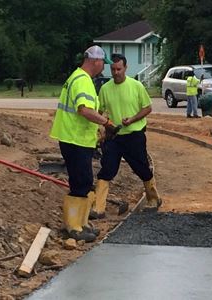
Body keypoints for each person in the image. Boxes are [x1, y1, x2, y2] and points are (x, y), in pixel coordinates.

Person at [49, 45, 116, 242]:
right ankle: (74, 227)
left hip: (78, 139)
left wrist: (97, 131)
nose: (104, 66)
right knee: (80, 183)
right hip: (74, 139)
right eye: (103, 62)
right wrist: (106, 123)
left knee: (85, 182)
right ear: (95, 61)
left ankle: (83, 223)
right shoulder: (82, 81)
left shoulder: (80, 78)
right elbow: (84, 110)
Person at [93, 54, 162, 219]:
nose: (116, 72)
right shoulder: (105, 89)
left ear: (125, 68)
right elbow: (100, 111)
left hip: (134, 135)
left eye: (119, 69)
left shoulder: (136, 86)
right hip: (114, 137)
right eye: (113, 69)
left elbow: (147, 108)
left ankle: (153, 198)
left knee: (141, 168)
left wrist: (132, 119)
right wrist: (101, 129)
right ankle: (98, 207)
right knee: (107, 170)